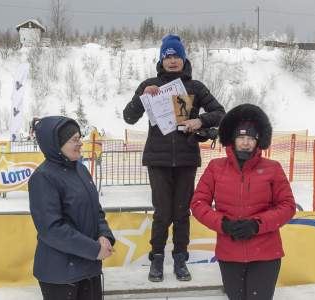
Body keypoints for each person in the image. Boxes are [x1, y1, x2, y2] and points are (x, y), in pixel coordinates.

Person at [123, 34, 225, 282]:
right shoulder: (150, 84)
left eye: (176, 56)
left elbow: (220, 113)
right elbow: (128, 117)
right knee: (162, 213)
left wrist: (200, 120)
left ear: (184, 59)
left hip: (186, 158)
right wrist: (142, 97)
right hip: (157, 159)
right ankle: (156, 259)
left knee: (181, 213)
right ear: (161, 59)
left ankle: (181, 260)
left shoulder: (195, 87)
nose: (172, 61)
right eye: (167, 56)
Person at [190, 104, 296, 300]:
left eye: (251, 138)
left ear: (259, 141)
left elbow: (287, 206)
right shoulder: (215, 168)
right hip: (229, 254)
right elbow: (198, 204)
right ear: (233, 139)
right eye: (241, 138)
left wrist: (257, 225)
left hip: (266, 254)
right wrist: (223, 224)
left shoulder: (273, 168)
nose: (246, 143)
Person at [28, 116, 115, 300]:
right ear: (56, 144)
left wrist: (104, 236)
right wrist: (93, 249)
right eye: (74, 140)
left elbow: (96, 211)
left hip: (89, 267)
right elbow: (52, 229)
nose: (80, 143)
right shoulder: (43, 178)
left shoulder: (80, 169)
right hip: (61, 274)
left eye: (80, 137)